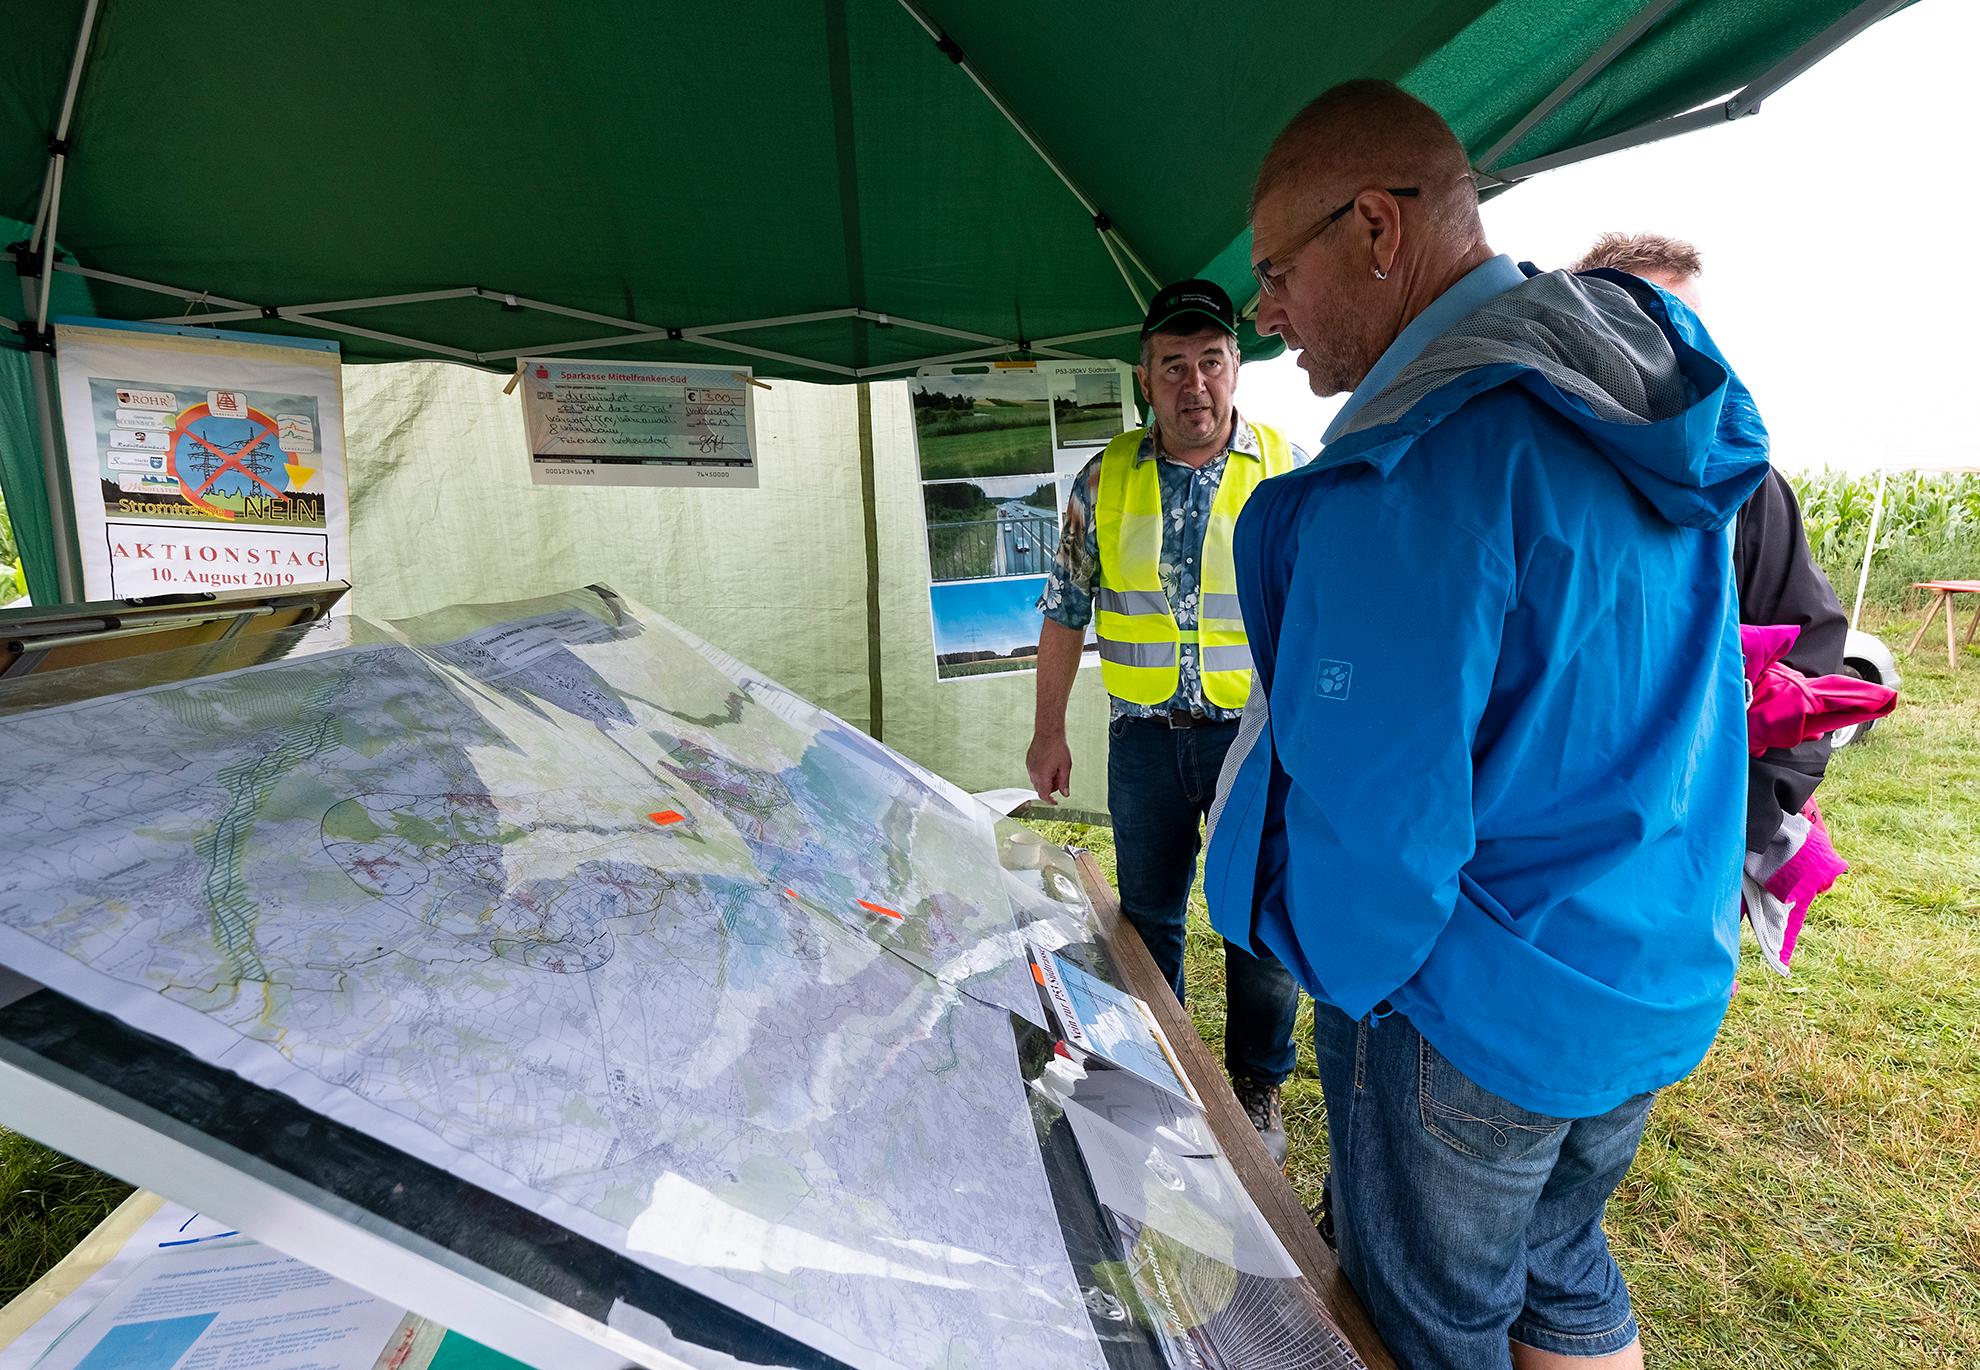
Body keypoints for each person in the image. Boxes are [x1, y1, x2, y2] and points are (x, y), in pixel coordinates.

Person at [1205, 81, 1770, 1368]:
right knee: (1564, 1271)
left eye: (1276, 271)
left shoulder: (1416, 462)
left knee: (1427, 1325)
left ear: (1376, 228)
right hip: (1646, 969)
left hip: (1471, 1012)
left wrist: (1324, 963)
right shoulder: (1629, 401)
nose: (1265, 314)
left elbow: (1376, 842)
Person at [1027, 279, 1305, 1164]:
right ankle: (1158, 1075)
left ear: (1237, 368)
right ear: (1144, 378)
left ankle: (1256, 1086)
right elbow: (1065, 610)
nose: (1196, 385)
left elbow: (1326, 612)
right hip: (1144, 741)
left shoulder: (1290, 472)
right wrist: (1048, 730)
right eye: (1174, 366)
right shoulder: (1103, 478)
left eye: (1211, 362)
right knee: (1147, 920)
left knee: (1257, 917)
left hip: (1251, 743)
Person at [1571, 233, 1849, 868]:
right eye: (1653, 321)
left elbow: (1808, 650)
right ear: (1589, 329)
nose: (1678, 346)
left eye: (1692, 325)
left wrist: (1742, 820)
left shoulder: (1747, 483)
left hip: (1695, 850)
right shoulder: (1530, 468)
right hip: (1556, 857)